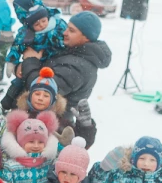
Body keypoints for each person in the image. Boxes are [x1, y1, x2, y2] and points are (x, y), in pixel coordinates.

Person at [13, 10, 112, 147]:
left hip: (51, 131)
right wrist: (22, 66)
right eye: (67, 28)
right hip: (40, 124)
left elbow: (40, 87)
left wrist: (30, 60)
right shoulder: (74, 53)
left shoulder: (79, 67)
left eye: (71, 30)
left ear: (86, 38)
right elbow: (45, 70)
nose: (65, 32)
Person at [0, 0, 67, 110]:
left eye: (43, 21)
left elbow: (67, 41)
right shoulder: (26, 34)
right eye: (37, 24)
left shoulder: (58, 25)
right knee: (19, 81)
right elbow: (17, 46)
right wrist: (12, 61)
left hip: (52, 62)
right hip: (33, 63)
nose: (41, 25)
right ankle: (8, 100)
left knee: (42, 87)